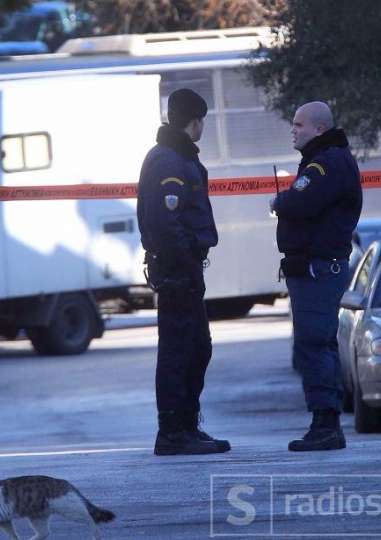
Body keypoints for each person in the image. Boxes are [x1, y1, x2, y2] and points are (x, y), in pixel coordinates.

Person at [137, 88, 230, 455]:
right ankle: (173, 432)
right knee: (179, 350)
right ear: (195, 121)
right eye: (202, 120)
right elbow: (164, 220)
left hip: (186, 268)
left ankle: (187, 425)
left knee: (197, 348)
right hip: (177, 268)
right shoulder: (169, 160)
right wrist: (184, 255)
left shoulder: (178, 157)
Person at [270, 101, 362, 451]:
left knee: (313, 343)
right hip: (315, 266)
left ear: (318, 129)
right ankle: (325, 421)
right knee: (317, 342)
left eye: (299, 124)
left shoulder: (326, 163)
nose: (293, 130)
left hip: (318, 268)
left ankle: (325, 424)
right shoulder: (325, 160)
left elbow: (301, 203)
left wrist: (280, 201)